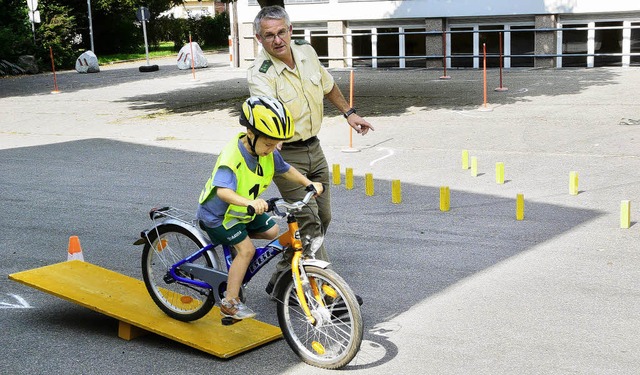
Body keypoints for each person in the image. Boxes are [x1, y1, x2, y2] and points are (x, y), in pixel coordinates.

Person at [247, 5, 374, 298]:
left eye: (282, 32)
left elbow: (328, 87)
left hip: (314, 148)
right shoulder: (260, 74)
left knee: (324, 216)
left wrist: (349, 113)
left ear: (291, 31)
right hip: (285, 155)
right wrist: (272, 149)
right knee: (310, 222)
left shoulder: (306, 53)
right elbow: (268, 118)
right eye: (269, 36)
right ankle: (327, 292)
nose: (277, 40)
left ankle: (281, 279)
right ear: (259, 38)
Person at [197, 96, 324, 320]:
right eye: (268, 143)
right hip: (219, 216)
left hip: (241, 213)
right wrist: (250, 203)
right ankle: (230, 302)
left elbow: (285, 169)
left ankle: (236, 242)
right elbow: (222, 192)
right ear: (250, 134)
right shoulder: (232, 157)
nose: (272, 149)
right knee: (247, 251)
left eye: (275, 144)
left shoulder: (267, 152)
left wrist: (308, 183)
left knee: (273, 231)